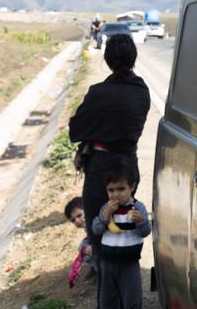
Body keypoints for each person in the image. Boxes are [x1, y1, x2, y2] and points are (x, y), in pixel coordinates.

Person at [67, 33, 150, 304]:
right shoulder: (142, 91)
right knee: (127, 228)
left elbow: (76, 129)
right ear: (133, 58)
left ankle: (108, 298)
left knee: (100, 233)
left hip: (102, 168)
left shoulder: (98, 93)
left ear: (107, 59)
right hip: (129, 167)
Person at [90, 164, 152, 309]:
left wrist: (141, 222)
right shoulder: (106, 209)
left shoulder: (138, 208)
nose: (116, 194)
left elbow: (145, 232)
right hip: (107, 263)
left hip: (129, 263)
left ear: (132, 187)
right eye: (111, 190)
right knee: (108, 300)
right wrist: (104, 217)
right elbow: (96, 230)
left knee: (132, 299)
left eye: (121, 189)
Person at [65, 196, 95, 288]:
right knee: (83, 246)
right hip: (96, 244)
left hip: (105, 248)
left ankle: (101, 272)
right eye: (73, 220)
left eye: (79, 215)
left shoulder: (96, 222)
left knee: (89, 251)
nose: (77, 221)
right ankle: (94, 268)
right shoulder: (87, 226)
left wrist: (93, 248)